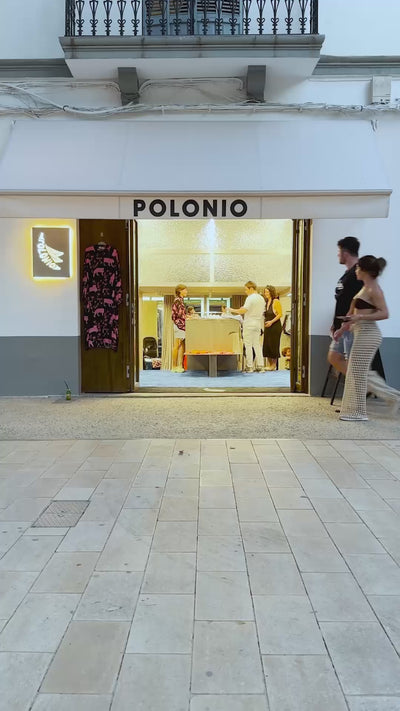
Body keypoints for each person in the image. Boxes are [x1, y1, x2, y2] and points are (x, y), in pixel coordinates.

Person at [334, 255, 400, 421]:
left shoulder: (375, 290)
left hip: (369, 334)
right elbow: (353, 314)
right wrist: (342, 329)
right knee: (357, 371)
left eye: (357, 268)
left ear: (364, 270)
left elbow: (385, 313)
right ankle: (360, 408)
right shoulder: (364, 288)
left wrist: (361, 317)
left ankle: (358, 412)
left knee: (357, 372)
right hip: (360, 332)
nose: (355, 270)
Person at [328, 236, 362, 375]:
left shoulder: (357, 275)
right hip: (341, 324)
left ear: (345, 253)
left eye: (339, 252)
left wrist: (345, 325)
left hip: (350, 326)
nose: (338, 255)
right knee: (334, 357)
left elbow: (357, 303)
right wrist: (334, 323)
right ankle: (359, 381)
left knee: (348, 362)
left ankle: (364, 382)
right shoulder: (346, 275)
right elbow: (341, 301)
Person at [229, 281, 265, 372]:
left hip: (249, 323)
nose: (245, 292)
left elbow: (243, 311)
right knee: (257, 344)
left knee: (248, 345)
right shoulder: (261, 298)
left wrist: (232, 310)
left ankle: (250, 366)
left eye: (246, 289)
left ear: (251, 288)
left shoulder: (250, 298)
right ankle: (260, 365)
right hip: (258, 323)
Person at [263, 285, 283, 370]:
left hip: (275, 326)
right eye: (265, 292)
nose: (266, 293)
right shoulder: (266, 302)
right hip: (267, 326)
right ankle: (270, 364)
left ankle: (273, 365)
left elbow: (280, 314)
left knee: (274, 344)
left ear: (271, 292)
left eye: (267, 292)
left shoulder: (276, 301)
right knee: (267, 344)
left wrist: (271, 322)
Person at [171, 283, 188, 373]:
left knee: (182, 345)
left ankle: (180, 365)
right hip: (179, 325)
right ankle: (174, 366)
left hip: (182, 326)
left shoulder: (181, 300)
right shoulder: (177, 300)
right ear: (180, 291)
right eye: (185, 290)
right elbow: (179, 315)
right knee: (177, 345)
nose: (186, 291)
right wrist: (189, 317)